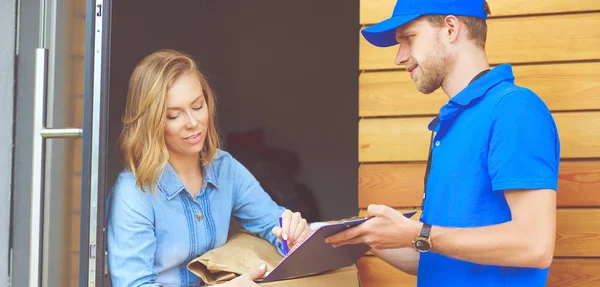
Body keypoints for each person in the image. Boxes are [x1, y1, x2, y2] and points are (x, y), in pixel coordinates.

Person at [326, 0, 560, 286]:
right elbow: (436, 256)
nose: (399, 58)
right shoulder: (449, 124)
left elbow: (534, 245)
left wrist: (419, 233)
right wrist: (355, 238)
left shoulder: (513, 109)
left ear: (450, 29)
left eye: (408, 39)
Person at [107, 49, 311, 287]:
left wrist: (292, 234)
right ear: (150, 124)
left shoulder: (225, 168)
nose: (193, 123)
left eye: (197, 105)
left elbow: (271, 223)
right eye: (174, 115)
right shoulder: (133, 193)